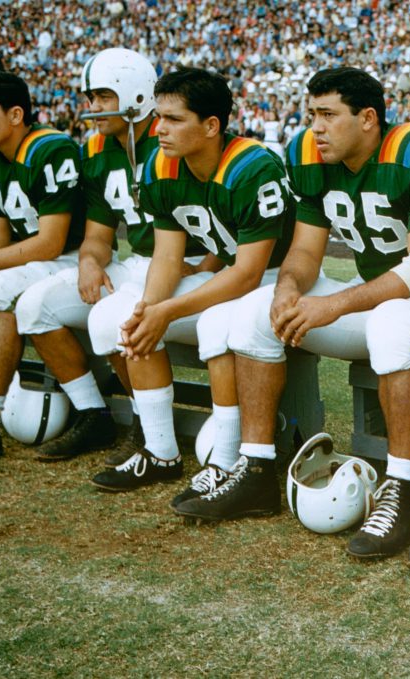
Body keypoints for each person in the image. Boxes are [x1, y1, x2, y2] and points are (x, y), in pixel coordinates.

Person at [226, 67, 410, 535]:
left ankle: (401, 488)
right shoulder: (309, 156)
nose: (316, 127)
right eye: (312, 114)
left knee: (392, 318)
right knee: (256, 310)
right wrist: (288, 286)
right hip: (374, 303)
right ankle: (256, 468)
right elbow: (307, 251)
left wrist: (335, 305)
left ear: (368, 118)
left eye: (328, 115)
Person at [86, 67, 293, 504]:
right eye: (159, 117)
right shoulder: (163, 165)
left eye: (175, 119)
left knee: (216, 322)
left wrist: (168, 311)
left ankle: (227, 461)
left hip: (280, 278)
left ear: (212, 125)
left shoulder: (254, 165)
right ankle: (160, 450)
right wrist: (150, 308)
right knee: (122, 317)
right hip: (227, 273)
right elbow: (167, 255)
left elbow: (250, 272)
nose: (159, 129)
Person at [13, 49, 215, 463]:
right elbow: (99, 235)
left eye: (103, 96)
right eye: (90, 97)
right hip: (141, 263)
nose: (93, 108)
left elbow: (226, 223)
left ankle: (147, 425)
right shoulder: (97, 150)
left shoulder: (178, 140)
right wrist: (89, 261)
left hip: (194, 267)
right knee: (35, 306)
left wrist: (208, 265)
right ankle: (95, 412)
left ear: (135, 94)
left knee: (117, 319)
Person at [0, 71, 85, 462]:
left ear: (16, 114)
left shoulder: (51, 148)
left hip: (71, 258)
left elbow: (50, 241)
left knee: (1, 289)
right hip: (36, 258)